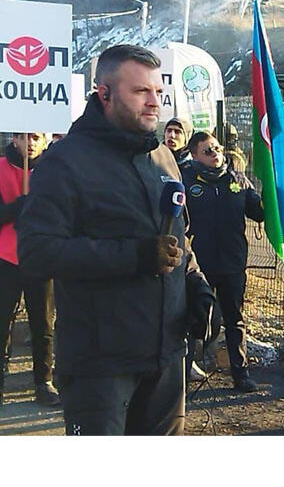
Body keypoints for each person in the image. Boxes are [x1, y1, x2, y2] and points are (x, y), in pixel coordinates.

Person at [16, 44, 214, 435]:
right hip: (100, 366)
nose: (154, 102)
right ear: (103, 93)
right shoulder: (65, 162)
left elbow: (176, 237)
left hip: (166, 357)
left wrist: (195, 285)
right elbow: (37, 252)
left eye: (158, 92)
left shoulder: (163, 156)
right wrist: (135, 256)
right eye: (141, 92)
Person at [182, 131, 264, 392]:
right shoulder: (185, 181)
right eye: (208, 151)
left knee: (234, 318)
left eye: (217, 148)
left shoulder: (237, 180)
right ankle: (183, 375)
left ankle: (240, 374)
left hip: (232, 262)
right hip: (200, 266)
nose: (216, 154)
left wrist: (274, 197)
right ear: (195, 155)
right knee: (196, 319)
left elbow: (259, 212)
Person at [0, 132, 59, 407]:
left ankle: (43, 381)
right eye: (25, 137)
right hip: (5, 256)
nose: (31, 142)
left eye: (36, 137)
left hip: (40, 256)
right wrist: (15, 209)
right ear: (15, 141)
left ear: (46, 141)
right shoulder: (0, 167)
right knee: (2, 322)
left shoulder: (55, 170)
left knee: (43, 322)